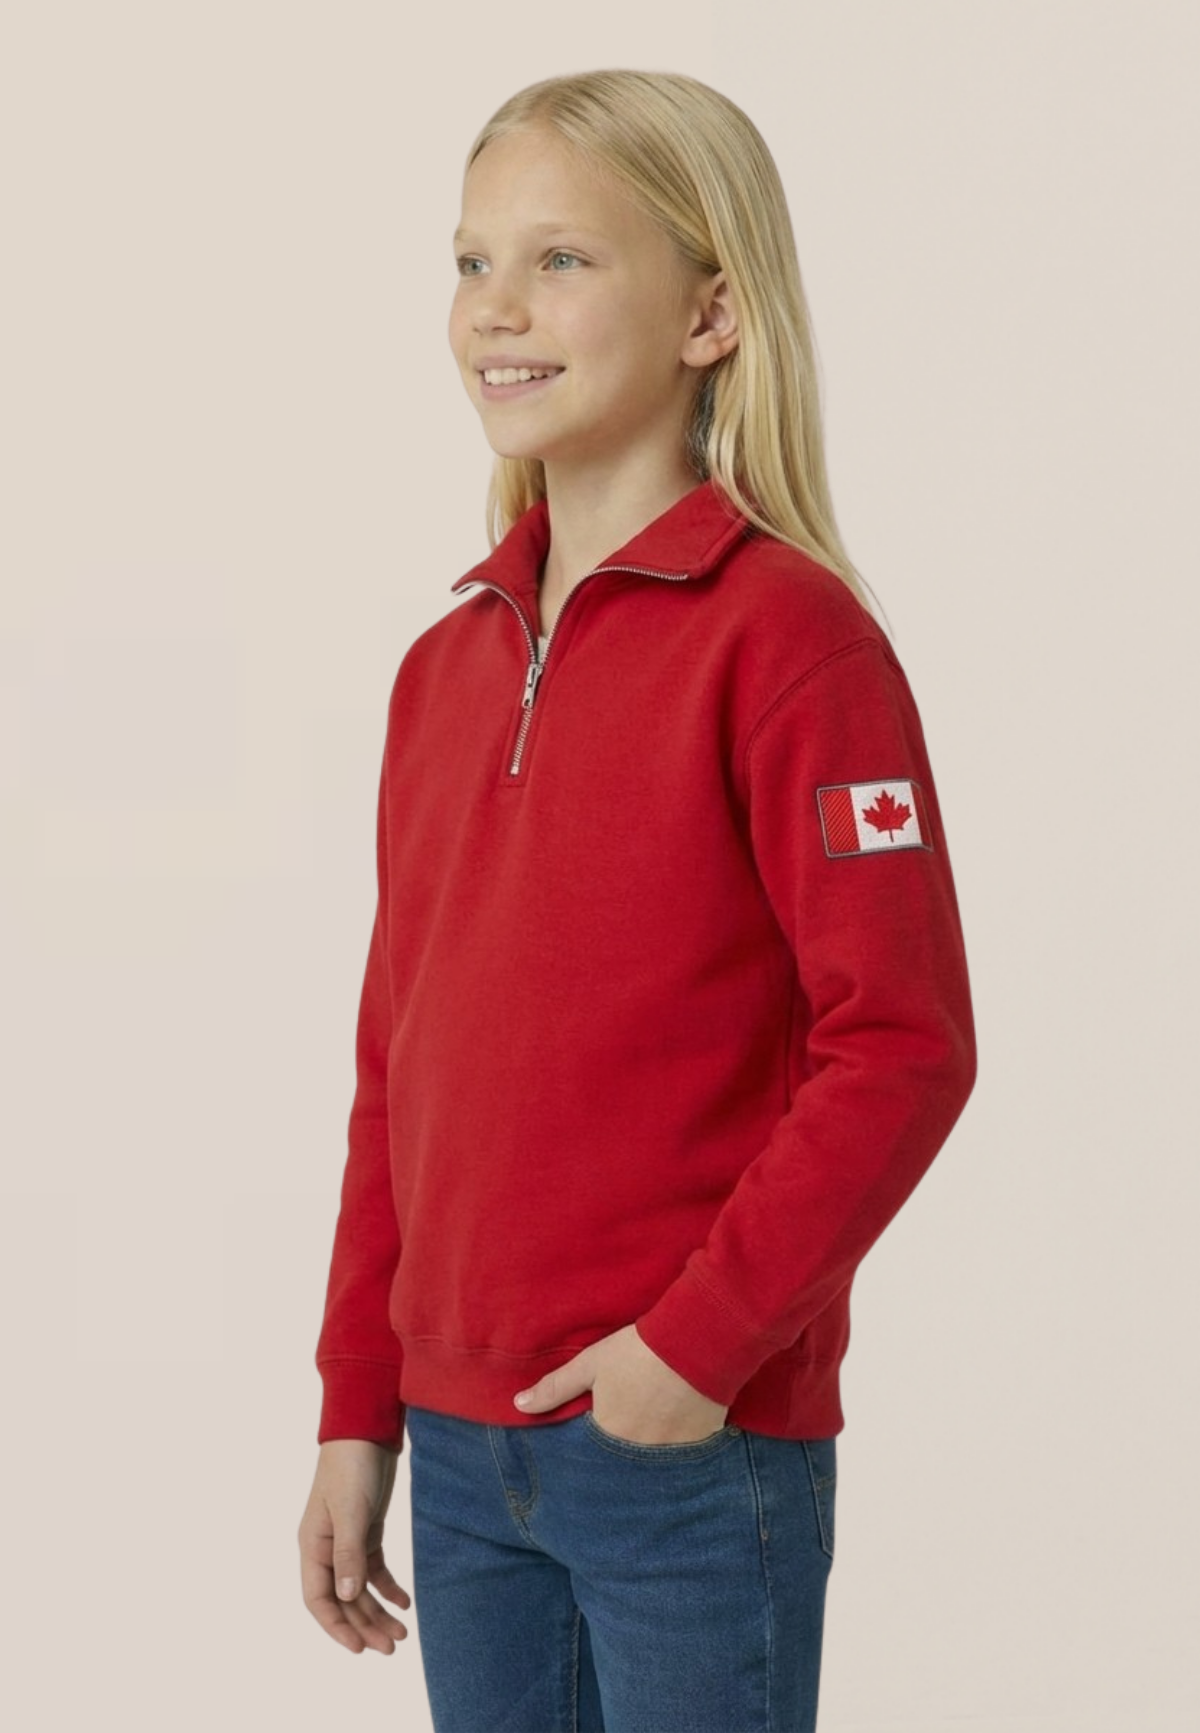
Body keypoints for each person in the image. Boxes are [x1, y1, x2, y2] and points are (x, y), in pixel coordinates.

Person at [297, 67, 976, 1733]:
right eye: (469, 265)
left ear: (712, 312)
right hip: (460, 1459)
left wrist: (697, 1351)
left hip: (687, 1446)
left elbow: (902, 1047)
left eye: (562, 262)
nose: (496, 312)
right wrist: (355, 1406)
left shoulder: (793, 645)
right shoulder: (441, 671)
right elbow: (402, 1069)